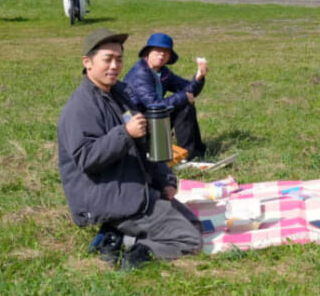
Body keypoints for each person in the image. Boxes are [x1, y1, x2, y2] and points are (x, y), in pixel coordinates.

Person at [57, 28, 203, 269]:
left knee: (194, 225)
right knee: (188, 239)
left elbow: (145, 145)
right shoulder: (80, 107)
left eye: (119, 59)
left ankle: (115, 236)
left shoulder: (119, 93)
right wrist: (124, 134)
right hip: (108, 198)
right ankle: (139, 253)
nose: (115, 65)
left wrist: (165, 180)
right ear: (88, 62)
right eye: (107, 59)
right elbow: (86, 159)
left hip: (134, 188)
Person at [123, 33, 208, 162]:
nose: (162, 55)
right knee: (183, 103)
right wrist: (184, 97)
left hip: (153, 117)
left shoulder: (163, 72)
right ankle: (186, 158)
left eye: (166, 52)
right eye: (157, 51)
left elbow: (188, 90)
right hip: (136, 124)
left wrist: (199, 77)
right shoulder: (140, 74)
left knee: (185, 105)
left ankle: (195, 150)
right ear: (148, 52)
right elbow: (154, 104)